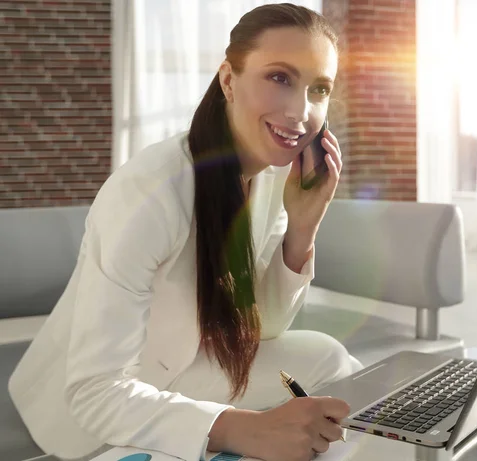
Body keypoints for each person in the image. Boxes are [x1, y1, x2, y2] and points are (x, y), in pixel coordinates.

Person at [8, 4, 364, 461]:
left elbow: (265, 328)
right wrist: (240, 430)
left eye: (319, 89)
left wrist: (303, 224)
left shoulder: (276, 178)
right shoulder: (150, 192)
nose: (301, 110)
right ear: (228, 80)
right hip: (98, 408)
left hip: (188, 365)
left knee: (331, 361)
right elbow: (95, 391)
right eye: (279, 78)